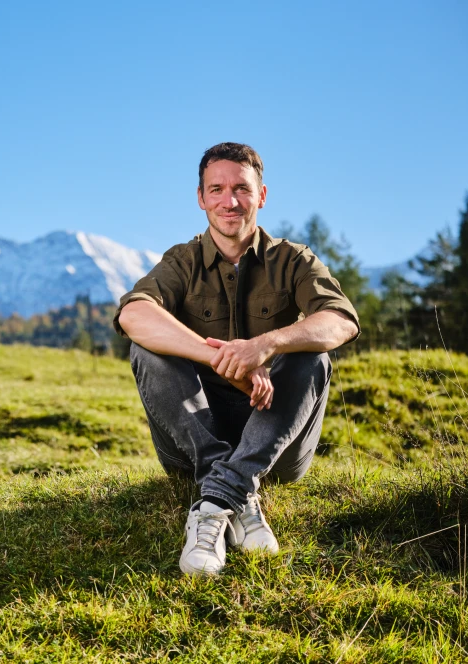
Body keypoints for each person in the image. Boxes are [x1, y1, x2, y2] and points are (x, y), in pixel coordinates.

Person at [113, 142, 360, 576]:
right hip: (190, 440)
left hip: (276, 443)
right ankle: (236, 491)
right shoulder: (181, 261)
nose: (230, 201)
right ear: (201, 197)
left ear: (261, 195)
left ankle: (217, 496)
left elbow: (341, 321)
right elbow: (133, 313)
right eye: (217, 189)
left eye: (242, 189)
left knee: (312, 358)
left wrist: (264, 346)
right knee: (148, 348)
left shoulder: (293, 260)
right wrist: (220, 358)